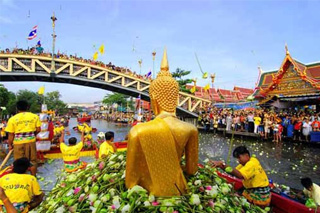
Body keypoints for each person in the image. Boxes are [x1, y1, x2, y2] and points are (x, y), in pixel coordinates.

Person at [126, 49, 198, 196]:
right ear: (176, 98)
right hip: (178, 192)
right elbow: (191, 171)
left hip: (149, 195)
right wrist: (171, 167)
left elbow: (130, 183)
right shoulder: (191, 129)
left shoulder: (138, 131)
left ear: (153, 98)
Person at [5, 100, 41, 176]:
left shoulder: (13, 119)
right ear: (27, 107)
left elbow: (11, 134)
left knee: (18, 162)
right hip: (31, 141)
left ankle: (20, 178)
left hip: (18, 143)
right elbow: (38, 129)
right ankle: (33, 178)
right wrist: (32, 135)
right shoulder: (34, 116)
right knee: (33, 161)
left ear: (17, 108)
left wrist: (10, 145)